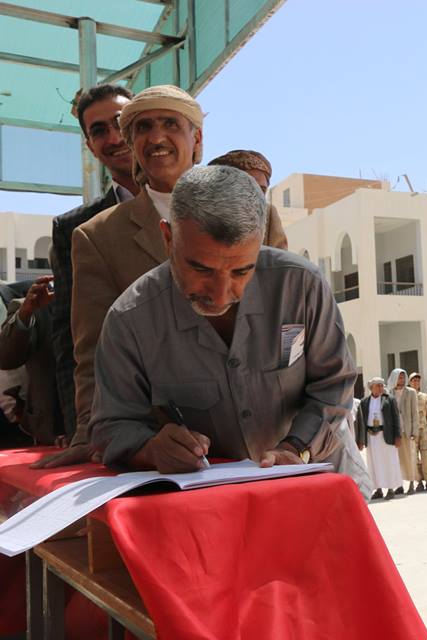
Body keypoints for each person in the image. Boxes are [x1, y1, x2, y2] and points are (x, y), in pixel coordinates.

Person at [87, 166, 370, 495]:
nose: (221, 294)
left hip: (323, 490)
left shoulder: (302, 287)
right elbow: (111, 425)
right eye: (201, 269)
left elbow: (334, 384)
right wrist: (149, 449)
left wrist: (296, 448)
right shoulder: (129, 321)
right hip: (218, 505)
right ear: (168, 238)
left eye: (241, 271)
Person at [66, 85, 289, 469]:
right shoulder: (98, 237)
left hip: (267, 443)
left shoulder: (259, 213)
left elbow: (286, 315)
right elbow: (92, 351)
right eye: (143, 128)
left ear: (196, 139)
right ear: (131, 143)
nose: (156, 138)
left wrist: (299, 429)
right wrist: (93, 435)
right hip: (171, 448)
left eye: (170, 124)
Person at [43, 84, 138, 467]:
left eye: (121, 123)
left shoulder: (203, 202)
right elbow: (72, 337)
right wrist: (82, 429)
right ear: (89, 145)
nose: (114, 138)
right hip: (129, 422)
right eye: (99, 131)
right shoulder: (76, 229)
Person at [0, 276, 63, 445]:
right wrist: (25, 314)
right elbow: (6, 358)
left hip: (94, 426)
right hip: (39, 434)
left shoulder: (106, 301)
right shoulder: (27, 302)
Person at [207, 149, 288, 250]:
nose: (256, 196)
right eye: (248, 187)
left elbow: (279, 255)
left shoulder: (268, 213)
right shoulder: (199, 213)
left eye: (262, 190)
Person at [356, 378, 403, 500]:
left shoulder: (389, 399)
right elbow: (361, 422)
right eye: (378, 386)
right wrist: (361, 440)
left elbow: (396, 418)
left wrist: (398, 436)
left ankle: (391, 488)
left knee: (388, 462)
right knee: (374, 463)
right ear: (372, 388)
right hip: (371, 436)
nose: (381, 388)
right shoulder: (364, 402)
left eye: (382, 385)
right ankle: (378, 489)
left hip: (385, 435)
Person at [387, 368, 420, 495]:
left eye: (403, 377)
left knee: (409, 457)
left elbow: (415, 413)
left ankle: (411, 484)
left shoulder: (411, 392)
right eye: (399, 377)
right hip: (394, 432)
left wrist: (414, 431)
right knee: (396, 460)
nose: (401, 380)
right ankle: (399, 485)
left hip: (407, 430)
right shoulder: (389, 393)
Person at [408, 373, 427, 492]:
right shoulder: (407, 396)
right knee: (414, 458)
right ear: (410, 382)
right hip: (412, 432)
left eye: (418, 380)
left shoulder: (424, 397)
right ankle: (419, 481)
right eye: (413, 380)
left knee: (426, 457)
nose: (416, 382)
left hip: (424, 431)